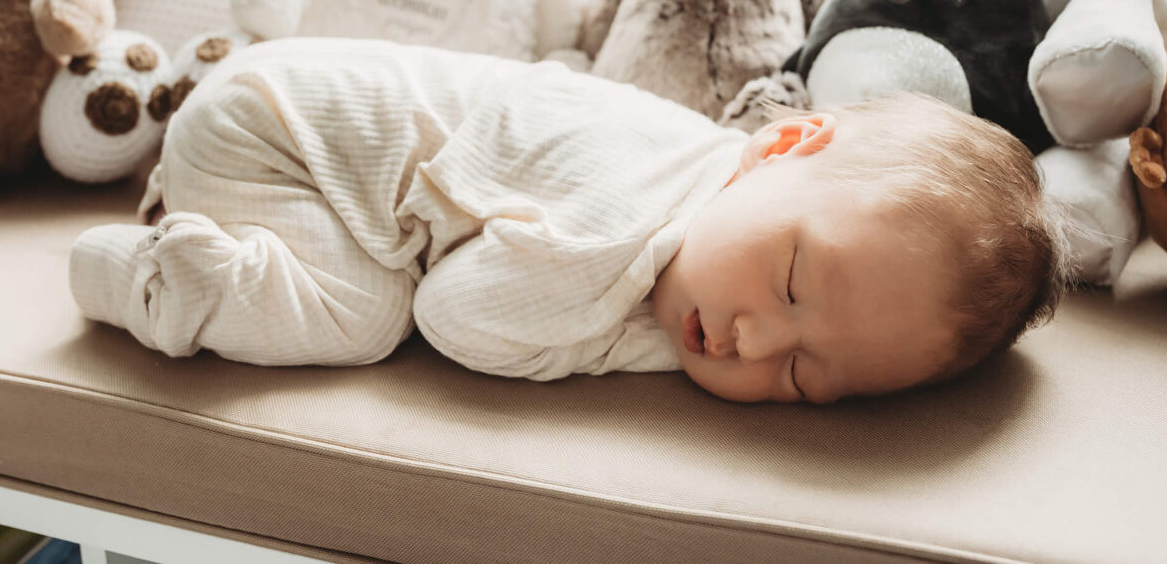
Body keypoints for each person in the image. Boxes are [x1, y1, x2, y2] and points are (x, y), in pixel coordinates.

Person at [69, 38, 1073, 403]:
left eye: (805, 379)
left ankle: (197, 211)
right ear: (783, 143)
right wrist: (624, 336)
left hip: (290, 103)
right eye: (792, 281)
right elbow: (458, 316)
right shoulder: (627, 216)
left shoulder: (717, 188)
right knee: (358, 317)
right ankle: (143, 273)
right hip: (280, 134)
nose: (751, 339)